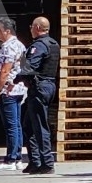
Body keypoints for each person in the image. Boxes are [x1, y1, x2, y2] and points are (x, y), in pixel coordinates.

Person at [15, 17, 60, 175]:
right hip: (47, 86)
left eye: (32, 26)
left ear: (38, 27)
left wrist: (17, 77)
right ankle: (35, 162)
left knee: (40, 127)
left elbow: (30, 67)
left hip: (40, 88)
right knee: (28, 126)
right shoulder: (53, 44)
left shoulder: (39, 46)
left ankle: (47, 163)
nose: (30, 29)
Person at [0, 17, 27, 171]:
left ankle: (11, 159)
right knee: (16, 124)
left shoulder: (8, 47)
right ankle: (17, 158)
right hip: (18, 89)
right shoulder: (21, 45)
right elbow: (23, 67)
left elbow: (4, 71)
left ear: (7, 31)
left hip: (7, 90)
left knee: (11, 126)